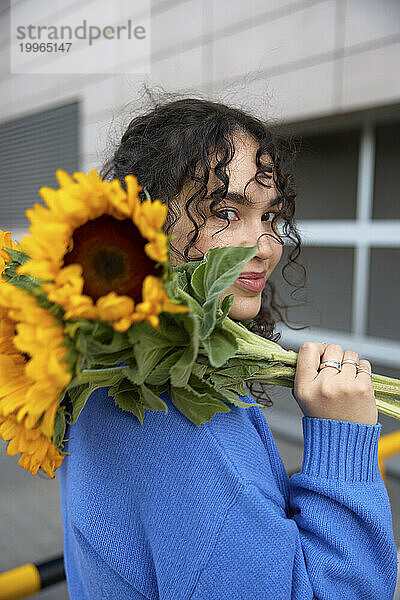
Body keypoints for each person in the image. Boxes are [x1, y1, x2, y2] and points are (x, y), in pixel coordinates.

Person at [58, 93, 397, 599]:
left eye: (268, 217)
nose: (264, 245)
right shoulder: (175, 423)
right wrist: (343, 444)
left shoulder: (119, 371)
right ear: (142, 224)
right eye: (225, 212)